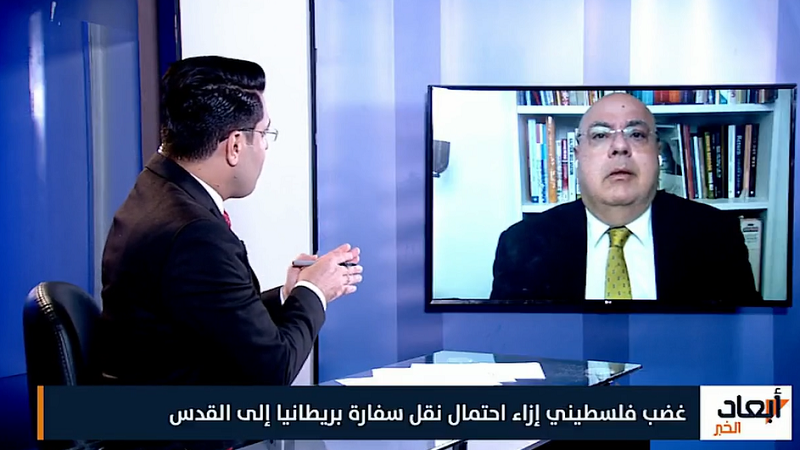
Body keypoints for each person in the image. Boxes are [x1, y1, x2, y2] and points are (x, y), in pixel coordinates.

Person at [99, 56, 363, 390]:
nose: (265, 147)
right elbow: (273, 370)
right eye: (264, 133)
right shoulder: (195, 234)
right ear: (236, 145)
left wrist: (290, 295)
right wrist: (315, 291)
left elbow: (214, 315)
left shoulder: (157, 189)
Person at [490, 92, 759, 305]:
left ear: (657, 153)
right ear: (577, 155)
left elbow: (743, 341)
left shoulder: (716, 235)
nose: (620, 147)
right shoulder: (522, 244)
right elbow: (509, 348)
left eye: (637, 135)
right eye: (600, 135)